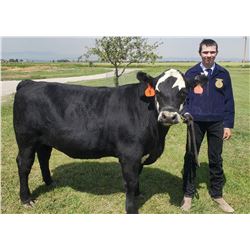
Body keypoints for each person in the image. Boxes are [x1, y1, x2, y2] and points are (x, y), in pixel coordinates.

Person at [181, 39, 235, 213]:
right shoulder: (191, 73)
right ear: (200, 53)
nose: (209, 55)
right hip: (195, 122)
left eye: (212, 52)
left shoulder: (223, 73)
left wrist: (228, 124)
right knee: (190, 156)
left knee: (215, 158)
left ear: (216, 53)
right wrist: (186, 114)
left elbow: (229, 101)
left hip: (217, 122)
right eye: (205, 52)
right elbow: (184, 99)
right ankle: (188, 195)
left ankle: (217, 194)